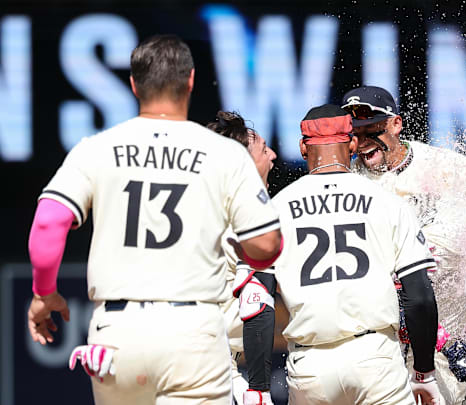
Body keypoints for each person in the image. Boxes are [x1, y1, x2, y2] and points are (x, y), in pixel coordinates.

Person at [26, 34, 283, 404]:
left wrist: (44, 295)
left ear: (133, 84)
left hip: (117, 332)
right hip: (193, 330)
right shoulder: (224, 154)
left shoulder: (96, 148)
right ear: (191, 80)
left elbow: (48, 224)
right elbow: (265, 245)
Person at [341, 86, 466, 405]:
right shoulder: (351, 185)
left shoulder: (438, 164)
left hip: (456, 327)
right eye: (354, 134)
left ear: (395, 125)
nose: (361, 143)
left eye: (370, 130)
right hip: (390, 335)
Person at [241, 104, 444, 405]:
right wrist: (424, 372)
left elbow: (258, 305)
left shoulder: (276, 209)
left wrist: (258, 386)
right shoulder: (386, 201)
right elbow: (420, 295)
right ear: (351, 144)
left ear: (302, 146)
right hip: (375, 360)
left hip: (310, 367)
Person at [206, 110, 278, 403]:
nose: (273, 155)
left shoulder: (206, 206)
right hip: (209, 362)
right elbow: (255, 306)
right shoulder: (245, 219)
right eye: (263, 149)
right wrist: (259, 390)